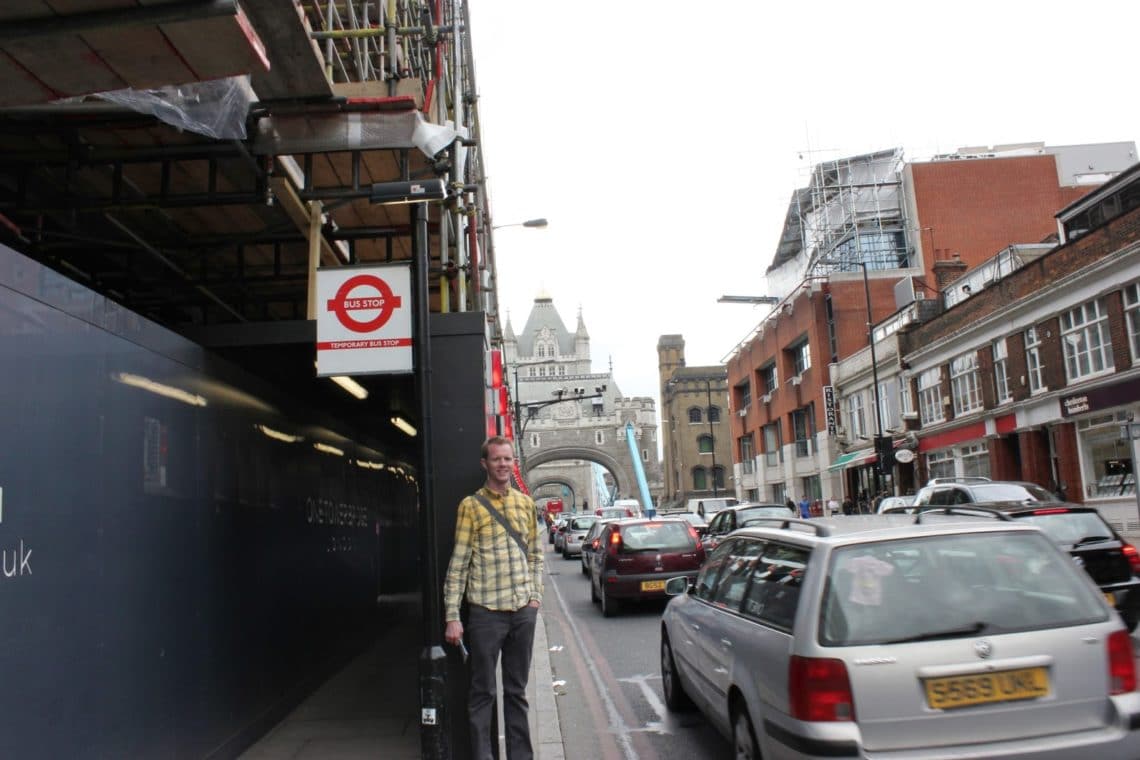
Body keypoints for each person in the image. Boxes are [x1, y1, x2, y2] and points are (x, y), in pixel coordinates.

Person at [443, 437, 544, 760]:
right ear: (484, 463)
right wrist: (452, 616)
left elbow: (536, 555)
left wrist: (535, 597)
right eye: (497, 459)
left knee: (517, 693)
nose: (503, 464)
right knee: (482, 693)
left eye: (508, 459)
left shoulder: (525, 504)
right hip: (486, 613)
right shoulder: (470, 506)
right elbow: (458, 562)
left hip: (521, 612)